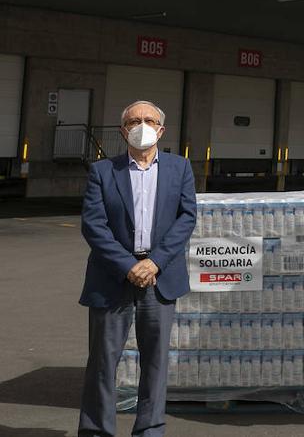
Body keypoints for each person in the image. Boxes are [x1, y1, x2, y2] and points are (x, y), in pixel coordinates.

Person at [78, 100, 197, 437]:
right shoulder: (103, 171)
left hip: (160, 278)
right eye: (134, 120)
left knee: (156, 363)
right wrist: (129, 265)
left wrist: (155, 261)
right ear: (122, 130)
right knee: (102, 363)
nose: (141, 126)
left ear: (161, 129)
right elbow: (94, 226)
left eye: (148, 120)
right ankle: (96, 431)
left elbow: (186, 218)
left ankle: (149, 430)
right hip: (112, 277)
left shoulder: (179, 168)